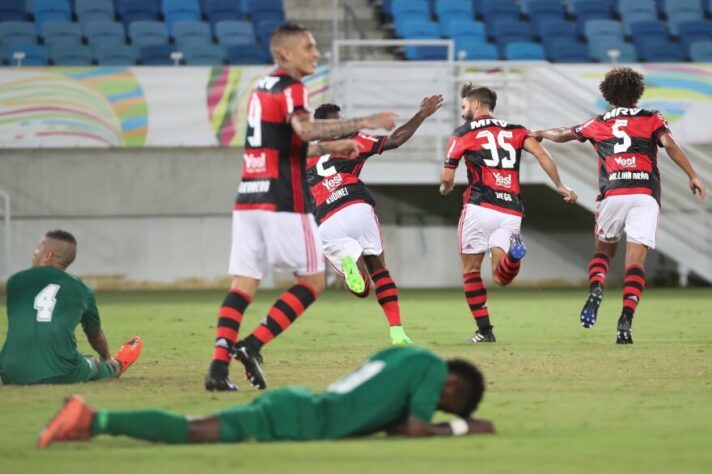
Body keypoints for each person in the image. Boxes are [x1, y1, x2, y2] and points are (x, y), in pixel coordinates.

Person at [205, 21, 399, 392]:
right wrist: (365, 122)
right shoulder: (292, 88)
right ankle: (252, 344)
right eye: (308, 47)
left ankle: (217, 369)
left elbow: (286, 144)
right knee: (311, 282)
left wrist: (328, 148)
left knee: (243, 285)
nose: (316, 53)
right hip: (282, 200)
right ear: (284, 54)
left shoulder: (261, 88)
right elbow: (305, 129)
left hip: (248, 197)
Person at [533, 67, 706, 344]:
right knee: (635, 262)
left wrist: (541, 132)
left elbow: (564, 133)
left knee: (604, 250)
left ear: (608, 95)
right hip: (644, 194)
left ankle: (597, 285)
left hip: (613, 193)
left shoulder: (597, 123)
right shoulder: (651, 118)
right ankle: (625, 320)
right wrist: (693, 175)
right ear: (637, 93)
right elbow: (670, 145)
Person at [38, 346, 494, 448]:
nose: (435, 404)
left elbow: (398, 425)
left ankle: (91, 420)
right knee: (195, 431)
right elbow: (414, 428)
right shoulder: (433, 370)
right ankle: (91, 418)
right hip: (302, 420)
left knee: (197, 427)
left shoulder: (405, 355)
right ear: (453, 386)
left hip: (301, 404)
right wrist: (462, 426)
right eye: (444, 403)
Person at [440, 84, 577, 344]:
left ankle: (485, 331)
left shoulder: (462, 133)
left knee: (471, 271)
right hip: (510, 210)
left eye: (464, 106)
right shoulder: (516, 130)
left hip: (479, 207)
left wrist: (445, 187)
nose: (462, 113)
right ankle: (514, 257)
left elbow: (447, 176)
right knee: (501, 276)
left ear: (476, 105)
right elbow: (542, 153)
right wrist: (561, 185)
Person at [305, 96, 444, 345]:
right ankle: (397, 332)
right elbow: (396, 139)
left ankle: (350, 268)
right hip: (355, 205)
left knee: (361, 289)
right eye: (339, 121)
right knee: (380, 270)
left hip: (326, 219)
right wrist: (422, 114)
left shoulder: (305, 154)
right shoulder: (354, 139)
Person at [0, 230, 142, 385]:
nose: (34, 252)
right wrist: (106, 357)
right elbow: (95, 335)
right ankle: (116, 366)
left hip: (10, 372)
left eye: (38, 247)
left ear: (47, 255)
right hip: (61, 371)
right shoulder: (82, 289)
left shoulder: (15, 282)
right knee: (93, 364)